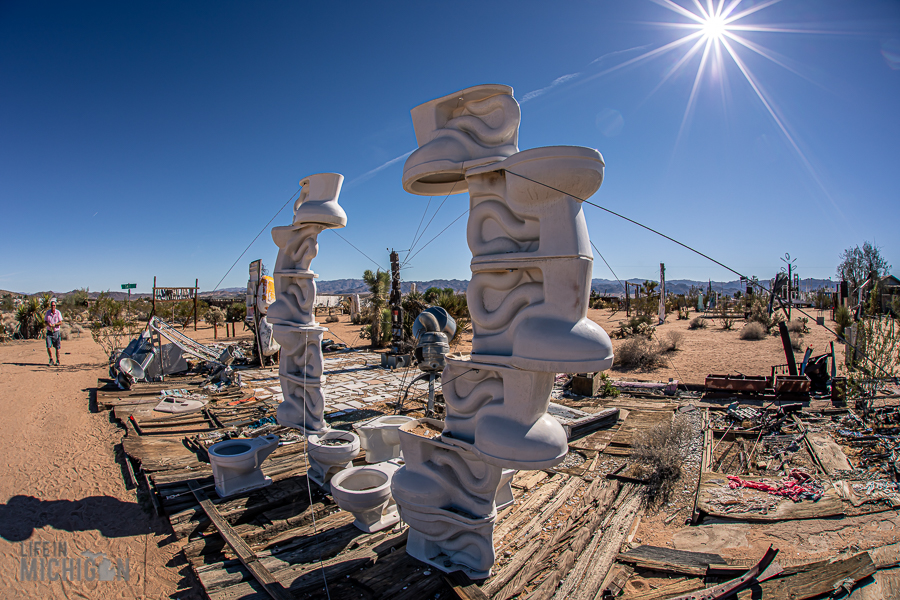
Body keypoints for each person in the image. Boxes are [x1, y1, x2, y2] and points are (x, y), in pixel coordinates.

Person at [45, 298, 63, 366]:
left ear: (55, 306)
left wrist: (55, 324)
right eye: (52, 305)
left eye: (54, 305)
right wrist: (48, 324)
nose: (53, 306)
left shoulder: (58, 312)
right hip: (49, 332)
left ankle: (58, 360)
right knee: (48, 346)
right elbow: (45, 321)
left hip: (56, 332)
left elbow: (60, 322)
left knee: (57, 347)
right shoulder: (48, 313)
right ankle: (51, 359)